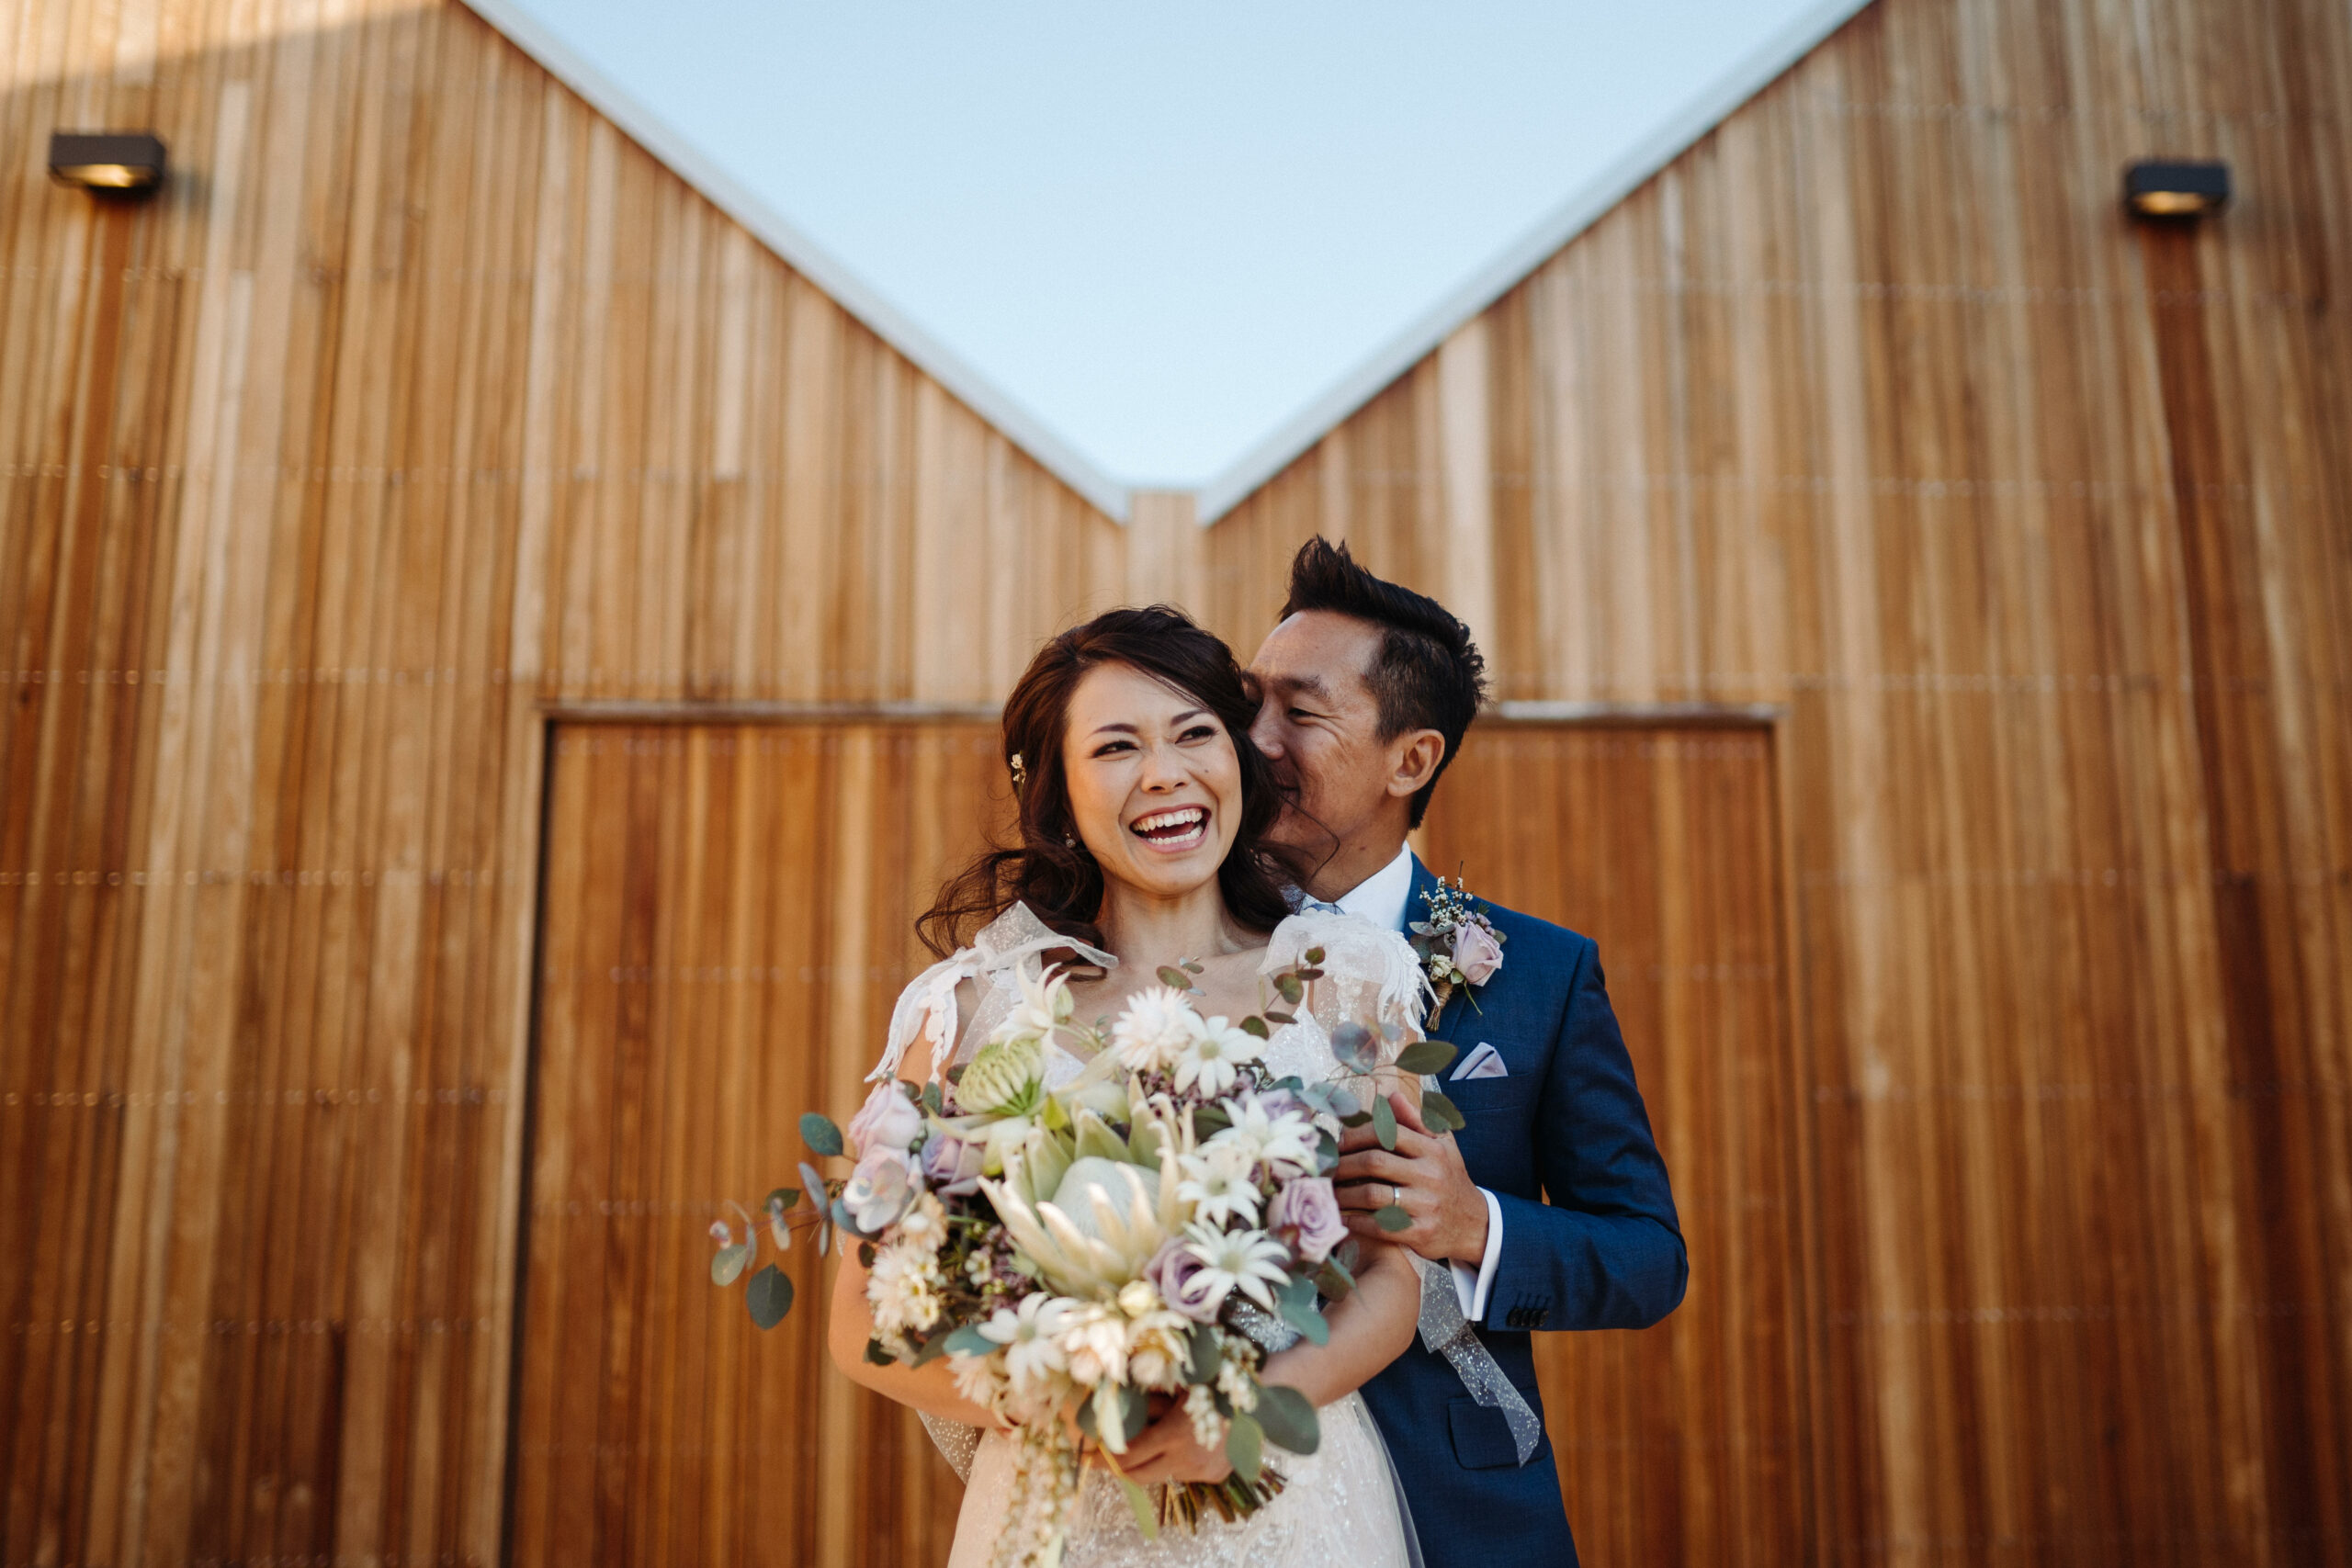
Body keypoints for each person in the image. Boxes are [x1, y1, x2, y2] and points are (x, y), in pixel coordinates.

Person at [829, 605, 1432, 1568]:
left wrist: (1244, 1405)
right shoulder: (972, 1008)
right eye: (1116, 747)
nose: (1164, 772)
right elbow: (860, 1324)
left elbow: (1391, 1276)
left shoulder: (1347, 981)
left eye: (1195, 733)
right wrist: (1056, 1393)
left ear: (1238, 761)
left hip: (1297, 1505)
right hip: (1059, 1508)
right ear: (1057, 796)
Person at [1246, 537, 1686, 1568]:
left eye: (1298, 712)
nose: (1251, 737)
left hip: (1451, 1508)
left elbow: (1646, 1258)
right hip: (1222, 1493)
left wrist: (1471, 1225)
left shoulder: (1538, 973)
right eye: (1246, 702)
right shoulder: (1169, 955)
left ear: (1412, 759)